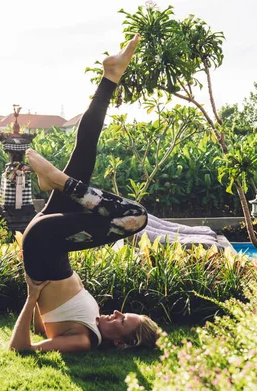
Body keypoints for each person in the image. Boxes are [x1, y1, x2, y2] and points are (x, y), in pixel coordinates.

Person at [9, 34, 159, 353]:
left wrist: (31, 296)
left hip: (44, 243)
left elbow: (22, 349)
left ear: (119, 343)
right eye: (123, 313)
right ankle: (111, 76)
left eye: (121, 321)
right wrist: (39, 304)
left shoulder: (84, 340)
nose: (116, 312)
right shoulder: (91, 325)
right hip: (51, 240)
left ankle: (57, 180)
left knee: (136, 218)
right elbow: (44, 323)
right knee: (85, 154)